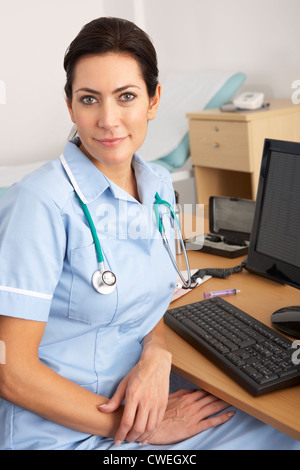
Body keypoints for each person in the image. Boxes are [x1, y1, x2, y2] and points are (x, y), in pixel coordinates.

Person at [0, 17, 299, 451]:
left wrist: (156, 353)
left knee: (278, 426)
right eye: (89, 99)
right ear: (70, 106)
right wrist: (142, 428)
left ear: (153, 100)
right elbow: (11, 371)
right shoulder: (39, 203)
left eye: (126, 97)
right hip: (65, 431)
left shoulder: (158, 185)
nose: (108, 120)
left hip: (141, 400)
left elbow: (150, 296)